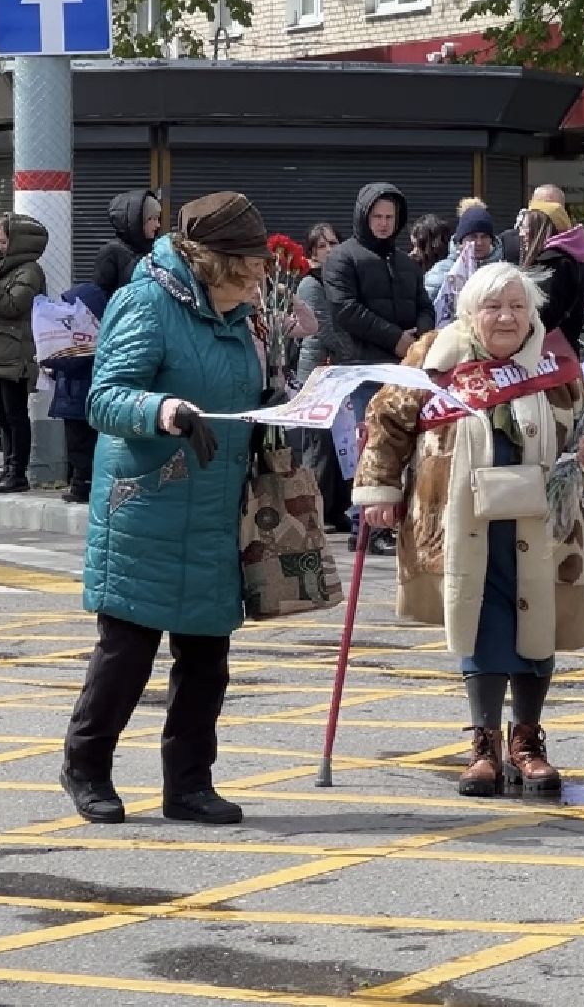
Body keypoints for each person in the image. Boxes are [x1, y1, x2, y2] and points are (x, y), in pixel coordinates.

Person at [354, 262, 584, 796]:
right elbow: (386, 421)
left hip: (545, 526)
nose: (506, 318)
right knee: (479, 624)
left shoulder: (557, 364)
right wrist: (380, 490)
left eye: (518, 307)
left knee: (538, 626)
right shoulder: (434, 357)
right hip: (459, 520)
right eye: (493, 307)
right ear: (469, 312)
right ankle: (484, 745)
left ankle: (527, 743)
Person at [61, 191, 274, 827]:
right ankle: (86, 767)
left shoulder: (237, 315)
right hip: (148, 505)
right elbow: (104, 398)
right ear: (213, 264)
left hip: (213, 506)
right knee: (127, 654)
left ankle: (189, 786)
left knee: (207, 661)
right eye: (248, 271)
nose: (257, 283)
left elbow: (240, 394)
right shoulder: (146, 302)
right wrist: (163, 410)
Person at [322, 182, 437, 557]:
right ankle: (365, 526)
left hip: (406, 367)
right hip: (364, 367)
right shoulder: (343, 258)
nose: (384, 223)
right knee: (369, 444)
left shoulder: (406, 263)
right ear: (363, 216)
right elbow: (345, 310)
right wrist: (395, 339)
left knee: (404, 443)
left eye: (390, 217)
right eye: (377, 216)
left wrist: (418, 340)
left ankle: (390, 523)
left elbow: (425, 305)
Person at [0, 214, 47, 494]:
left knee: (14, 415)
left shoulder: (29, 271)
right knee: (0, 416)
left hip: (15, 353)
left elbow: (13, 306)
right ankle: (7, 469)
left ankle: (17, 472)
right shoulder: (3, 271)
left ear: (18, 242)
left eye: (4, 242)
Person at [294, 223, 352, 531]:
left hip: (340, 370)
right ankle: (315, 509)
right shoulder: (310, 284)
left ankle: (337, 508)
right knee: (319, 444)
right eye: (322, 245)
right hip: (318, 370)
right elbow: (323, 329)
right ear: (312, 252)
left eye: (333, 243)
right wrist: (353, 350)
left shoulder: (339, 279)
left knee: (342, 442)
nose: (329, 250)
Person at [47, 278, 113, 504]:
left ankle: (82, 486)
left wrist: (52, 362)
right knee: (79, 445)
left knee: (81, 446)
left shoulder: (90, 338)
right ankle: (80, 483)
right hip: (73, 398)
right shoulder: (85, 334)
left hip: (78, 398)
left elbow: (75, 362)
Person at [511, 203, 584, 347]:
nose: (521, 234)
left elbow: (547, 314)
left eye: (526, 227)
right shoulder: (560, 260)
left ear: (542, 229)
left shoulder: (556, 264)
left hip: (548, 351)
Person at [433, 202, 498, 325]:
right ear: (461, 240)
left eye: (484, 236)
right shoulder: (441, 271)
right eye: (473, 236)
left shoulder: (501, 271)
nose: (479, 242)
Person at [92, 189, 161, 294]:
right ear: (138, 220)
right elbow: (99, 295)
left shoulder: (155, 249)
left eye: (158, 219)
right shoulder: (111, 252)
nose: (158, 225)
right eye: (153, 219)